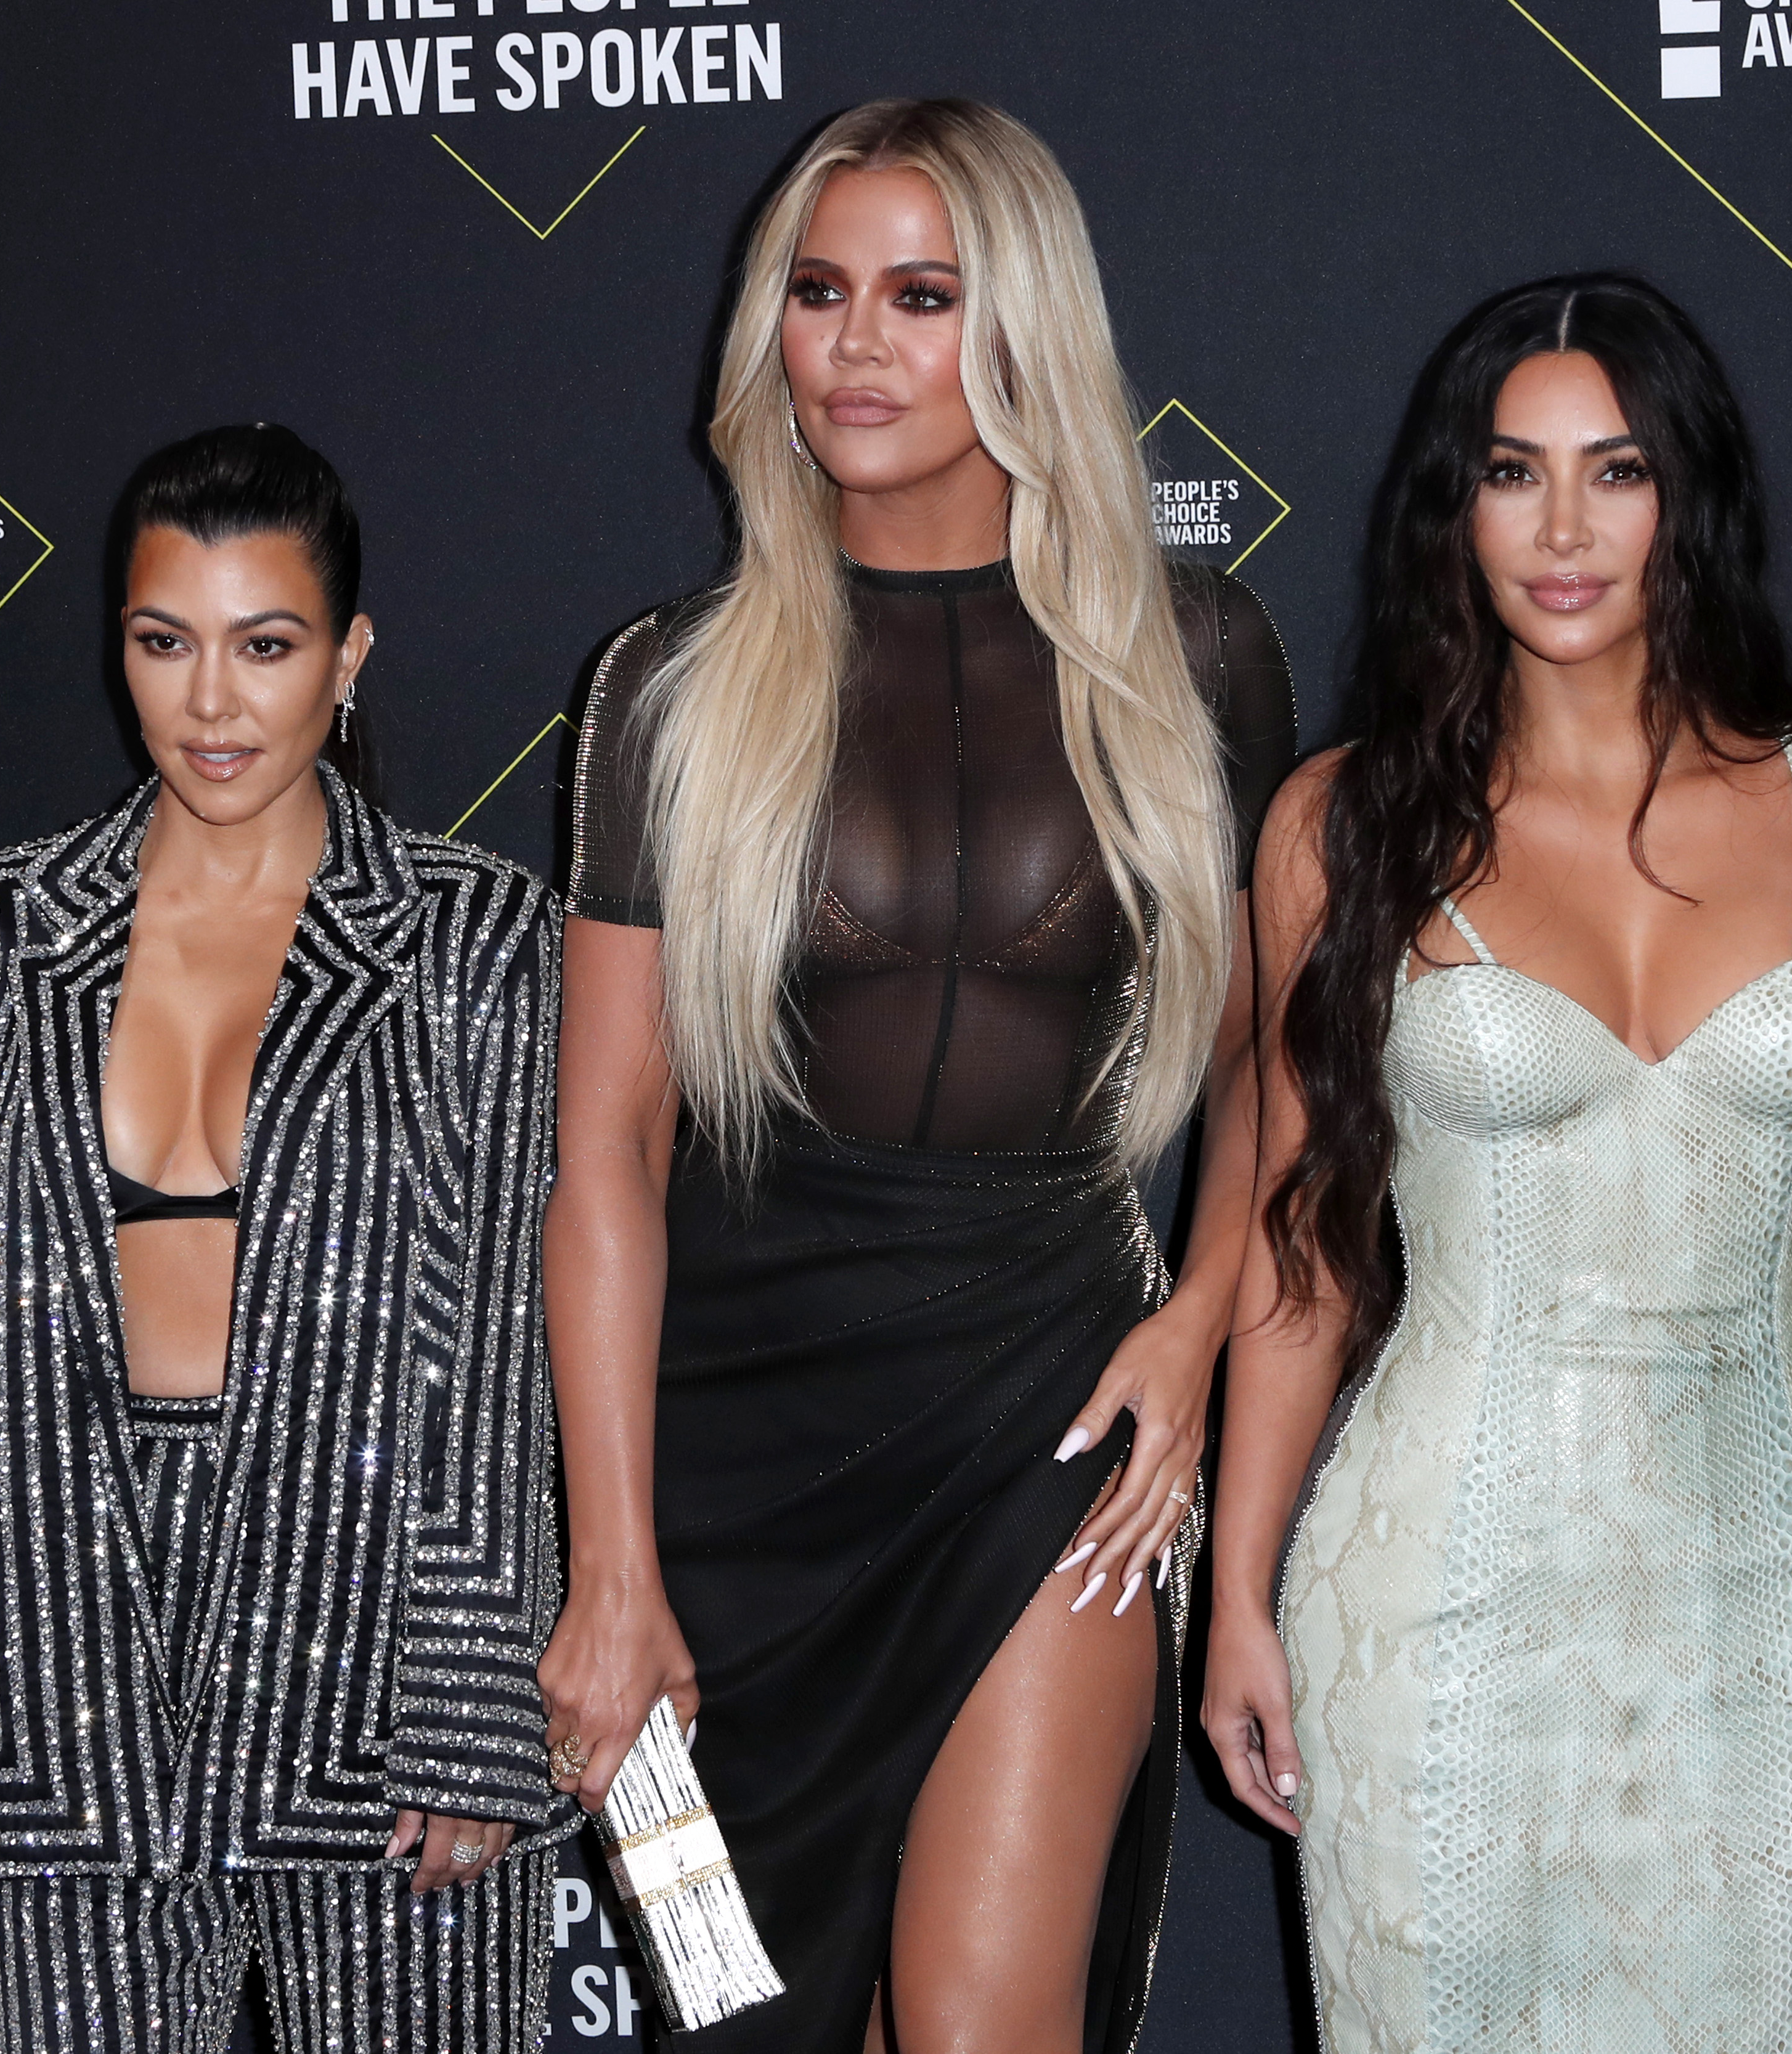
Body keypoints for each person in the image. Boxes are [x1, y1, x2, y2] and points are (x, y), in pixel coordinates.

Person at [543, 100, 1295, 2052]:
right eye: (817, 293)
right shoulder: (674, 686)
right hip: (717, 1470)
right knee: (730, 2015)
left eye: (921, 296)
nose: (856, 345)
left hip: (1049, 1414)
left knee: (983, 2028)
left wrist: (1196, 1329)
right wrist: (612, 1566)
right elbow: (608, 1151)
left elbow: (1261, 1073)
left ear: (1022, 328)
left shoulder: (1193, 662)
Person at [1202, 274, 1792, 2053]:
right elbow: (1294, 1237)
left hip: (1778, 1585)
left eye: (1614, 473)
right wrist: (1238, 1595)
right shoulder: (1344, 823)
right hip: (1436, 1607)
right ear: (1450, 506)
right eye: (1512, 472)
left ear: (1685, 495)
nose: (1561, 529)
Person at [0, 424, 571, 2053]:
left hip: (381, 1632)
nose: (211, 702)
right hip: (66, 1647)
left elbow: (491, 1349)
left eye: (268, 646)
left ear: (351, 654)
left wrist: (472, 1697)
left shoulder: (474, 936)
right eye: (163, 642)